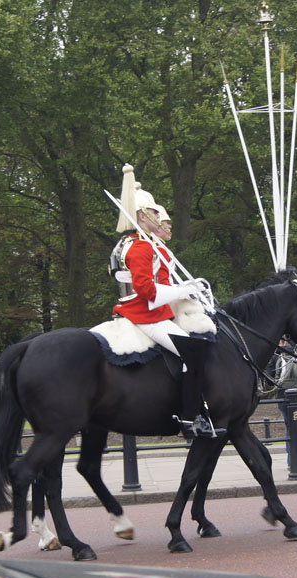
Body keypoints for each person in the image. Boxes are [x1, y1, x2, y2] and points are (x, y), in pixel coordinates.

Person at [109, 164, 222, 438]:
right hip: (144, 313)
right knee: (193, 352)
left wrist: (184, 289)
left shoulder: (138, 243)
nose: (161, 218)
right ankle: (189, 419)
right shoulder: (140, 247)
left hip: (151, 310)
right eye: (156, 213)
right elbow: (148, 291)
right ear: (142, 217)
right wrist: (184, 291)